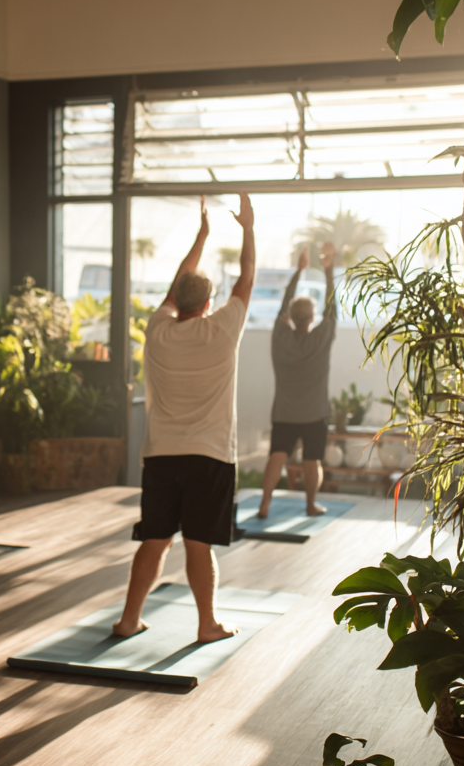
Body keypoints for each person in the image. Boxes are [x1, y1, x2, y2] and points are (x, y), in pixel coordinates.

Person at [114, 193, 255, 642]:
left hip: (161, 455)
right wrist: (248, 229)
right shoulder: (223, 329)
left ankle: (128, 619)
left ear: (175, 299)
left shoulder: (157, 330)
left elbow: (178, 284)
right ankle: (207, 624)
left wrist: (202, 235)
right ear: (208, 302)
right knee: (198, 543)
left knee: (154, 539)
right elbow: (247, 278)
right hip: (209, 456)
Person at [258, 241, 337, 519]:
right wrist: (328, 270)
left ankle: (264, 503)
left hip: (285, 413)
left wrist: (299, 272)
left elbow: (283, 306)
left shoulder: (279, 337)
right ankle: (311, 505)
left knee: (277, 455)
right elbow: (332, 309)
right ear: (312, 318)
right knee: (312, 460)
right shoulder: (321, 338)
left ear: (290, 317)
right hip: (314, 413)